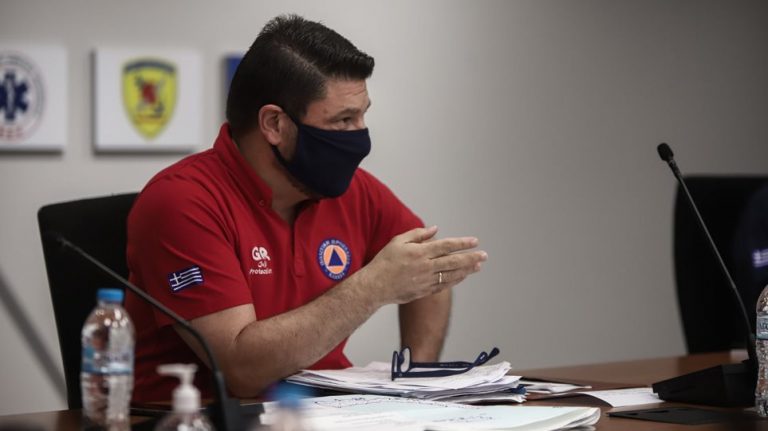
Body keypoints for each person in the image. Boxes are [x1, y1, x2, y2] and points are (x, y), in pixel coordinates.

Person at [125, 14, 487, 403]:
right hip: (200, 419)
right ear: (274, 124)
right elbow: (242, 371)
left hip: (331, 412)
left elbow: (428, 273)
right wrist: (373, 288)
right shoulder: (182, 201)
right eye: (344, 119)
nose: (361, 137)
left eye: (363, 115)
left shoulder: (351, 190)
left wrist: (418, 383)